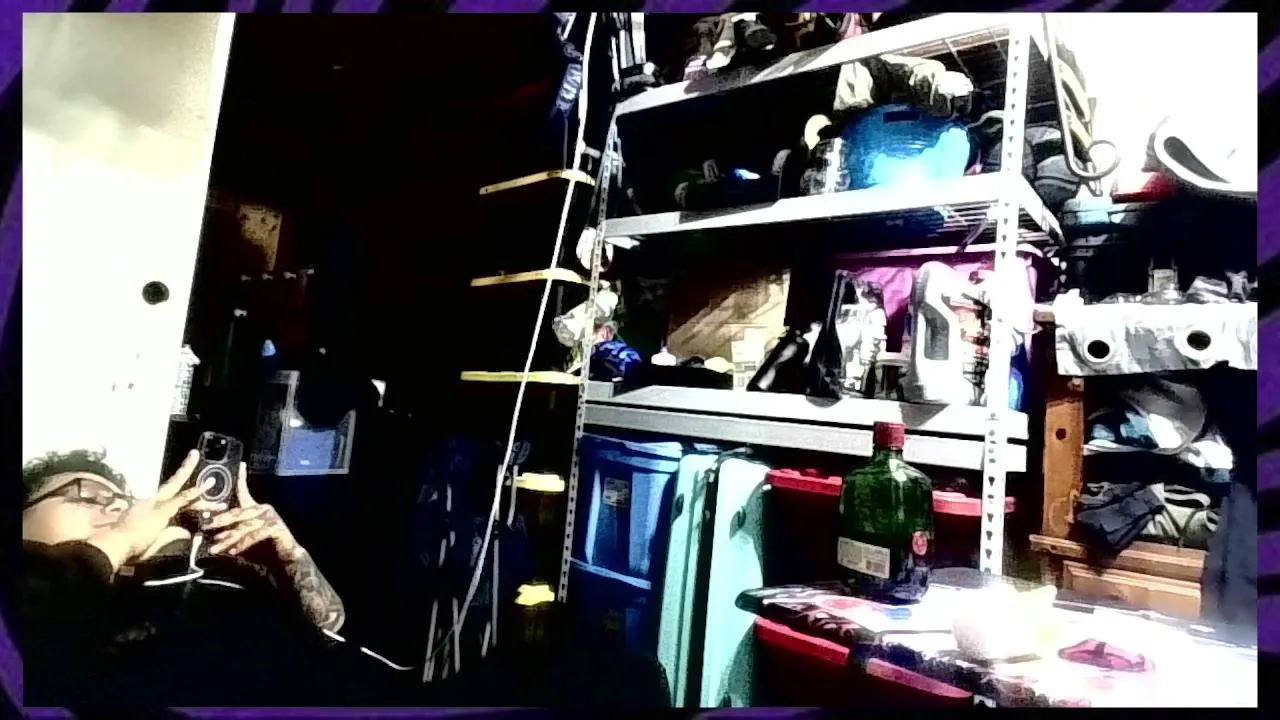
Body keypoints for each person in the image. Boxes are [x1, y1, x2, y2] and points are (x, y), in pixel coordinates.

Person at [17, 448, 387, 706]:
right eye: (88, 496)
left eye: (125, 502)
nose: (119, 506)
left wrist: (291, 563)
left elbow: (331, 627)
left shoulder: (182, 574)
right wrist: (122, 539)